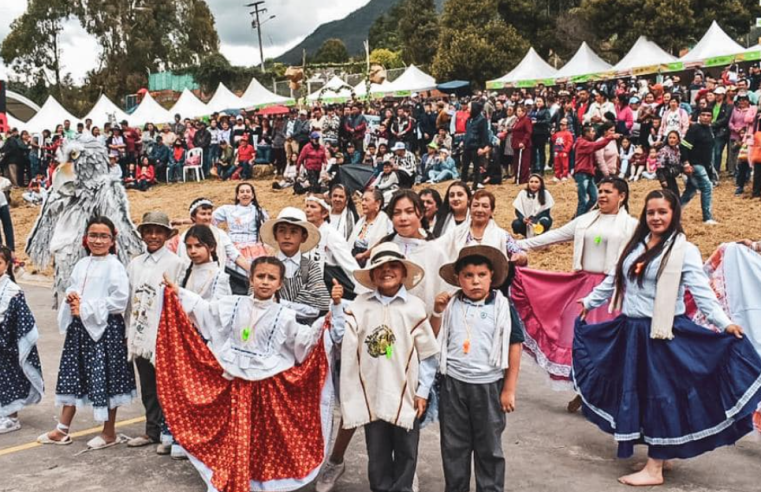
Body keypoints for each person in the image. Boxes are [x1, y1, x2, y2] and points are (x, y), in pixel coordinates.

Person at [575, 190, 761, 486]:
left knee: (661, 396)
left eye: (662, 212)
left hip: (662, 335)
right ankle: (662, 453)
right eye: (651, 212)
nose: (656, 217)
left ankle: (655, 468)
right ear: (644, 215)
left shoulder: (683, 250)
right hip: (631, 332)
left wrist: (725, 324)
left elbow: (702, 294)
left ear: (674, 214)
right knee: (645, 393)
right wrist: (589, 302)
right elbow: (614, 279)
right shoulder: (634, 245)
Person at [159, 257, 343, 492]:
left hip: (266, 388)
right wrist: (179, 293)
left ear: (280, 284)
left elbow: (305, 344)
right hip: (233, 384)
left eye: (271, 278)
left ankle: (256, 479)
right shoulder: (233, 304)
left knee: (261, 438)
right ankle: (232, 473)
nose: (265, 282)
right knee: (232, 434)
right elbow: (205, 312)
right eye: (261, 276)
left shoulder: (284, 316)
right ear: (251, 279)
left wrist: (332, 311)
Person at [512, 178, 637, 397]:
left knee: (607, 342)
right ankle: (584, 389)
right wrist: (516, 244)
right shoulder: (586, 220)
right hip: (582, 285)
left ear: (622, 196)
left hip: (612, 290)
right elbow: (554, 236)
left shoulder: (632, 226)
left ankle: (605, 391)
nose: (602, 195)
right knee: (575, 336)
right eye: (600, 190)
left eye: (608, 191)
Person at [330, 242, 439, 492]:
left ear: (403, 273)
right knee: (377, 454)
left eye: (393, 266)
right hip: (373, 394)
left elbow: (428, 355)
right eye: (380, 267)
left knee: (406, 452)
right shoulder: (360, 305)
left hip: (405, 395)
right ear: (371, 274)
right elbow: (340, 337)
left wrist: (422, 391)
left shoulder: (414, 308)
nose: (386, 271)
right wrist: (337, 307)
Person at [38, 217, 137, 449]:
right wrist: (72, 297)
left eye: (104, 236)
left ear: (113, 240)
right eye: (93, 235)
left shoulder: (115, 266)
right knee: (74, 374)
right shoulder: (82, 264)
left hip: (105, 330)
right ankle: (62, 430)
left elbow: (120, 301)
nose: (98, 240)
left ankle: (109, 432)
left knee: (106, 378)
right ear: (86, 237)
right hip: (80, 329)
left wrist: (85, 308)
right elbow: (74, 285)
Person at [433, 245, 523, 492]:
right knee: (454, 447)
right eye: (468, 275)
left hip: (489, 386)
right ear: (458, 278)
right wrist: (437, 312)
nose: (475, 281)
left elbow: (514, 346)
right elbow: (434, 337)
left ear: (492, 276)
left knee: (489, 448)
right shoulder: (451, 305)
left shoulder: (502, 307)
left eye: (481, 275)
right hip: (453, 385)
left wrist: (509, 389)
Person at [124, 212, 188, 453]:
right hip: (139, 333)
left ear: (166, 235)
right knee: (148, 384)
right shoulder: (135, 264)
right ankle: (152, 429)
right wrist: (128, 331)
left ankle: (169, 432)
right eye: (149, 231)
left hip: (163, 333)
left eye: (158, 231)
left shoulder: (175, 263)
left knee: (167, 385)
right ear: (142, 235)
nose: (153, 236)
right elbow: (130, 301)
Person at [259, 207, 330, 323]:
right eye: (282, 230)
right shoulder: (264, 266)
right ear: (275, 235)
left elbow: (317, 307)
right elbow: (256, 301)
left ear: (303, 237)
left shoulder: (311, 268)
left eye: (293, 231)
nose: (287, 236)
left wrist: (278, 303)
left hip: (302, 332)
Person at [0, 246, 43, 434]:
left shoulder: (12, 291)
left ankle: (12, 416)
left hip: (7, 343)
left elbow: (22, 320)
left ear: (7, 264)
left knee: (10, 378)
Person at [304, 195, 363, 299]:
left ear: (324, 213)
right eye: (307, 206)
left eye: (313, 207)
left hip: (330, 281)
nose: (308, 210)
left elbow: (348, 263)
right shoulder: (309, 232)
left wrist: (363, 288)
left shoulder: (331, 234)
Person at [212, 183, 270, 283]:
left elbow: (266, 231)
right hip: (232, 247)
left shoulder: (259, 212)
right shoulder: (228, 209)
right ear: (237, 196)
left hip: (253, 249)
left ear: (252, 195)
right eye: (242, 192)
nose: (245, 194)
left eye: (248, 192)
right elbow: (209, 220)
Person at [680, 107, 718, 224]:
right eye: (703, 115)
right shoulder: (694, 129)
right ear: (699, 116)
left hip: (705, 164)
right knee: (707, 187)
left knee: (690, 191)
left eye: (708, 115)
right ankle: (707, 217)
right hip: (695, 164)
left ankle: (674, 212)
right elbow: (684, 146)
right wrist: (686, 163)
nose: (706, 117)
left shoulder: (710, 129)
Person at [574, 125, 620, 217]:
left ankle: (582, 216)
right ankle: (578, 220)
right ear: (586, 133)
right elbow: (597, 145)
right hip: (582, 173)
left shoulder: (586, 142)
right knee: (583, 200)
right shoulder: (582, 143)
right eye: (592, 131)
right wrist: (610, 138)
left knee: (594, 198)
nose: (594, 133)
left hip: (589, 173)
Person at [179, 225, 232, 301]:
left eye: (198, 246)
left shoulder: (219, 278)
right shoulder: (186, 274)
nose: (193, 251)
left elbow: (218, 309)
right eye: (189, 247)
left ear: (211, 247)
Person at [348, 189, 393, 265]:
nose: (363, 203)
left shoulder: (385, 221)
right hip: (355, 258)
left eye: (366, 200)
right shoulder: (361, 221)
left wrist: (364, 255)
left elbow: (385, 242)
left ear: (378, 203)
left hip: (373, 260)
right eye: (362, 200)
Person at [512, 174, 554, 238]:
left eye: (536, 182)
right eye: (531, 182)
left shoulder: (545, 193)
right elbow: (518, 210)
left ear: (541, 184)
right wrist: (523, 219)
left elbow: (546, 212)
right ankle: (525, 235)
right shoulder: (523, 193)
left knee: (544, 222)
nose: (533, 184)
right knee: (516, 224)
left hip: (539, 219)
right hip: (526, 221)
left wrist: (534, 219)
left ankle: (541, 235)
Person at [461, 101, 491, 190]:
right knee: (464, 167)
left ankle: (474, 186)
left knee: (476, 168)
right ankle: (463, 185)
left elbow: (484, 135)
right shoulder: (468, 120)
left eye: (469, 108)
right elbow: (467, 133)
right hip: (467, 146)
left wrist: (482, 147)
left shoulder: (482, 120)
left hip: (476, 147)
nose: (467, 109)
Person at [656, 131, 683, 196]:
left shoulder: (678, 150)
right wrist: (662, 180)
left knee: (675, 196)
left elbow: (689, 146)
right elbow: (659, 168)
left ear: (678, 140)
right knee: (672, 197)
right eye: (670, 138)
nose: (672, 140)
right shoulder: (664, 151)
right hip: (666, 176)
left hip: (672, 176)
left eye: (674, 138)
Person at [511, 105, 533, 184]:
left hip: (523, 144)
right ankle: (517, 177)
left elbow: (528, 132)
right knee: (516, 162)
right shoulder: (517, 120)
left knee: (524, 163)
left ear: (524, 112)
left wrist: (524, 142)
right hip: (516, 143)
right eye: (517, 111)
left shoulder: (526, 120)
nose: (518, 112)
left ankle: (523, 179)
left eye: (520, 111)